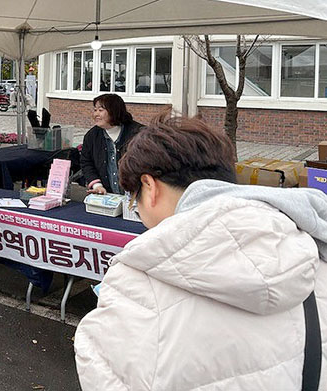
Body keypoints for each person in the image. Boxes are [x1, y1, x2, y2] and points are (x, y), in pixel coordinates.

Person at [74, 115, 327, 390]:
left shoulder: (137, 282)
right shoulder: (311, 250)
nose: (140, 213)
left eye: (135, 201)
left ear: (149, 186)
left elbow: (103, 371)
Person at [80, 93, 142, 195]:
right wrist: (97, 185)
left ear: (114, 111)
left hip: (136, 196)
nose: (96, 114)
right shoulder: (91, 136)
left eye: (100, 110)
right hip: (108, 196)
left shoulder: (139, 134)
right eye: (95, 110)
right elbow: (86, 162)